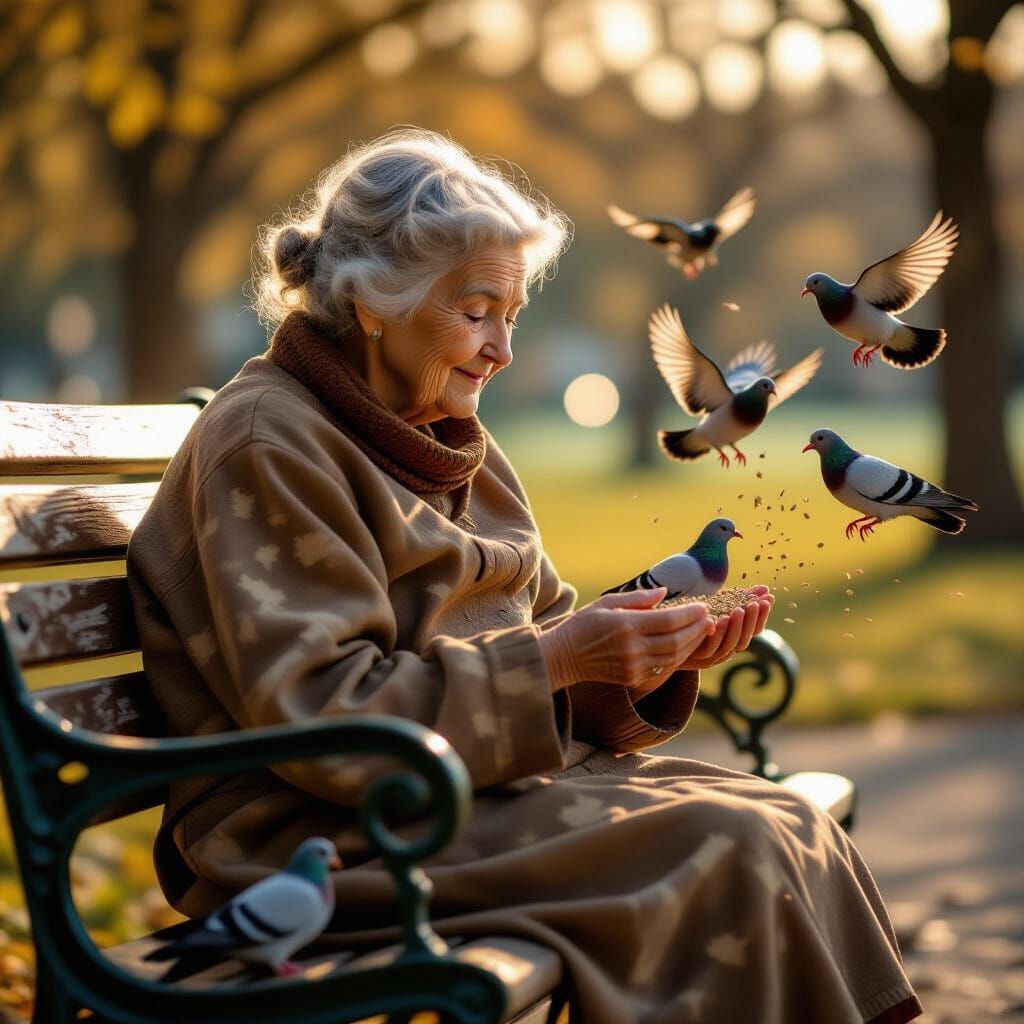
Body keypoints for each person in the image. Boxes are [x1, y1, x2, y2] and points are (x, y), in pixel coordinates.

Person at [126, 127, 921, 1024]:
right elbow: (328, 720)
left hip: (466, 795)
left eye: (513, 317)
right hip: (322, 834)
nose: (500, 350)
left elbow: (550, 638)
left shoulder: (448, 433)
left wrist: (643, 654)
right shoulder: (270, 441)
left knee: (789, 823)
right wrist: (559, 660)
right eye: (474, 313)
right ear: (373, 301)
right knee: (731, 846)